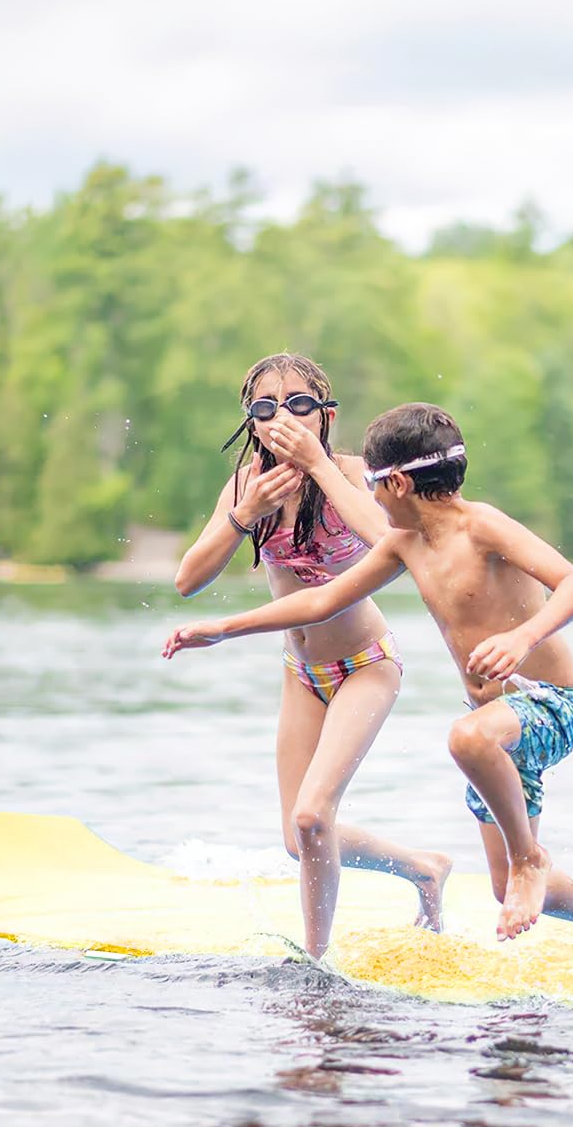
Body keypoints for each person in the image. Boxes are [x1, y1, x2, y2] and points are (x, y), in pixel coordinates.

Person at [165, 401, 573, 996]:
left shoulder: (484, 526)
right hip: (498, 736)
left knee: (465, 739)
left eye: (372, 486)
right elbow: (322, 601)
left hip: (550, 703)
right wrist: (223, 629)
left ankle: (532, 857)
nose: (369, 500)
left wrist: (523, 636)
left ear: (397, 483)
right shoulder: (405, 546)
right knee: (504, 889)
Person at [174, 356, 450, 960]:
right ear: (251, 422)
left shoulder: (351, 472)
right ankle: (422, 868)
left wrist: (321, 467)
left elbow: (390, 542)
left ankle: (314, 960)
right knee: (301, 838)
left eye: (299, 404)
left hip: (366, 663)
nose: (283, 419)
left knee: (312, 813)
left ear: (326, 415)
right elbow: (188, 580)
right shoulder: (247, 486)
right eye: (265, 408)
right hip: (300, 674)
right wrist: (243, 516)